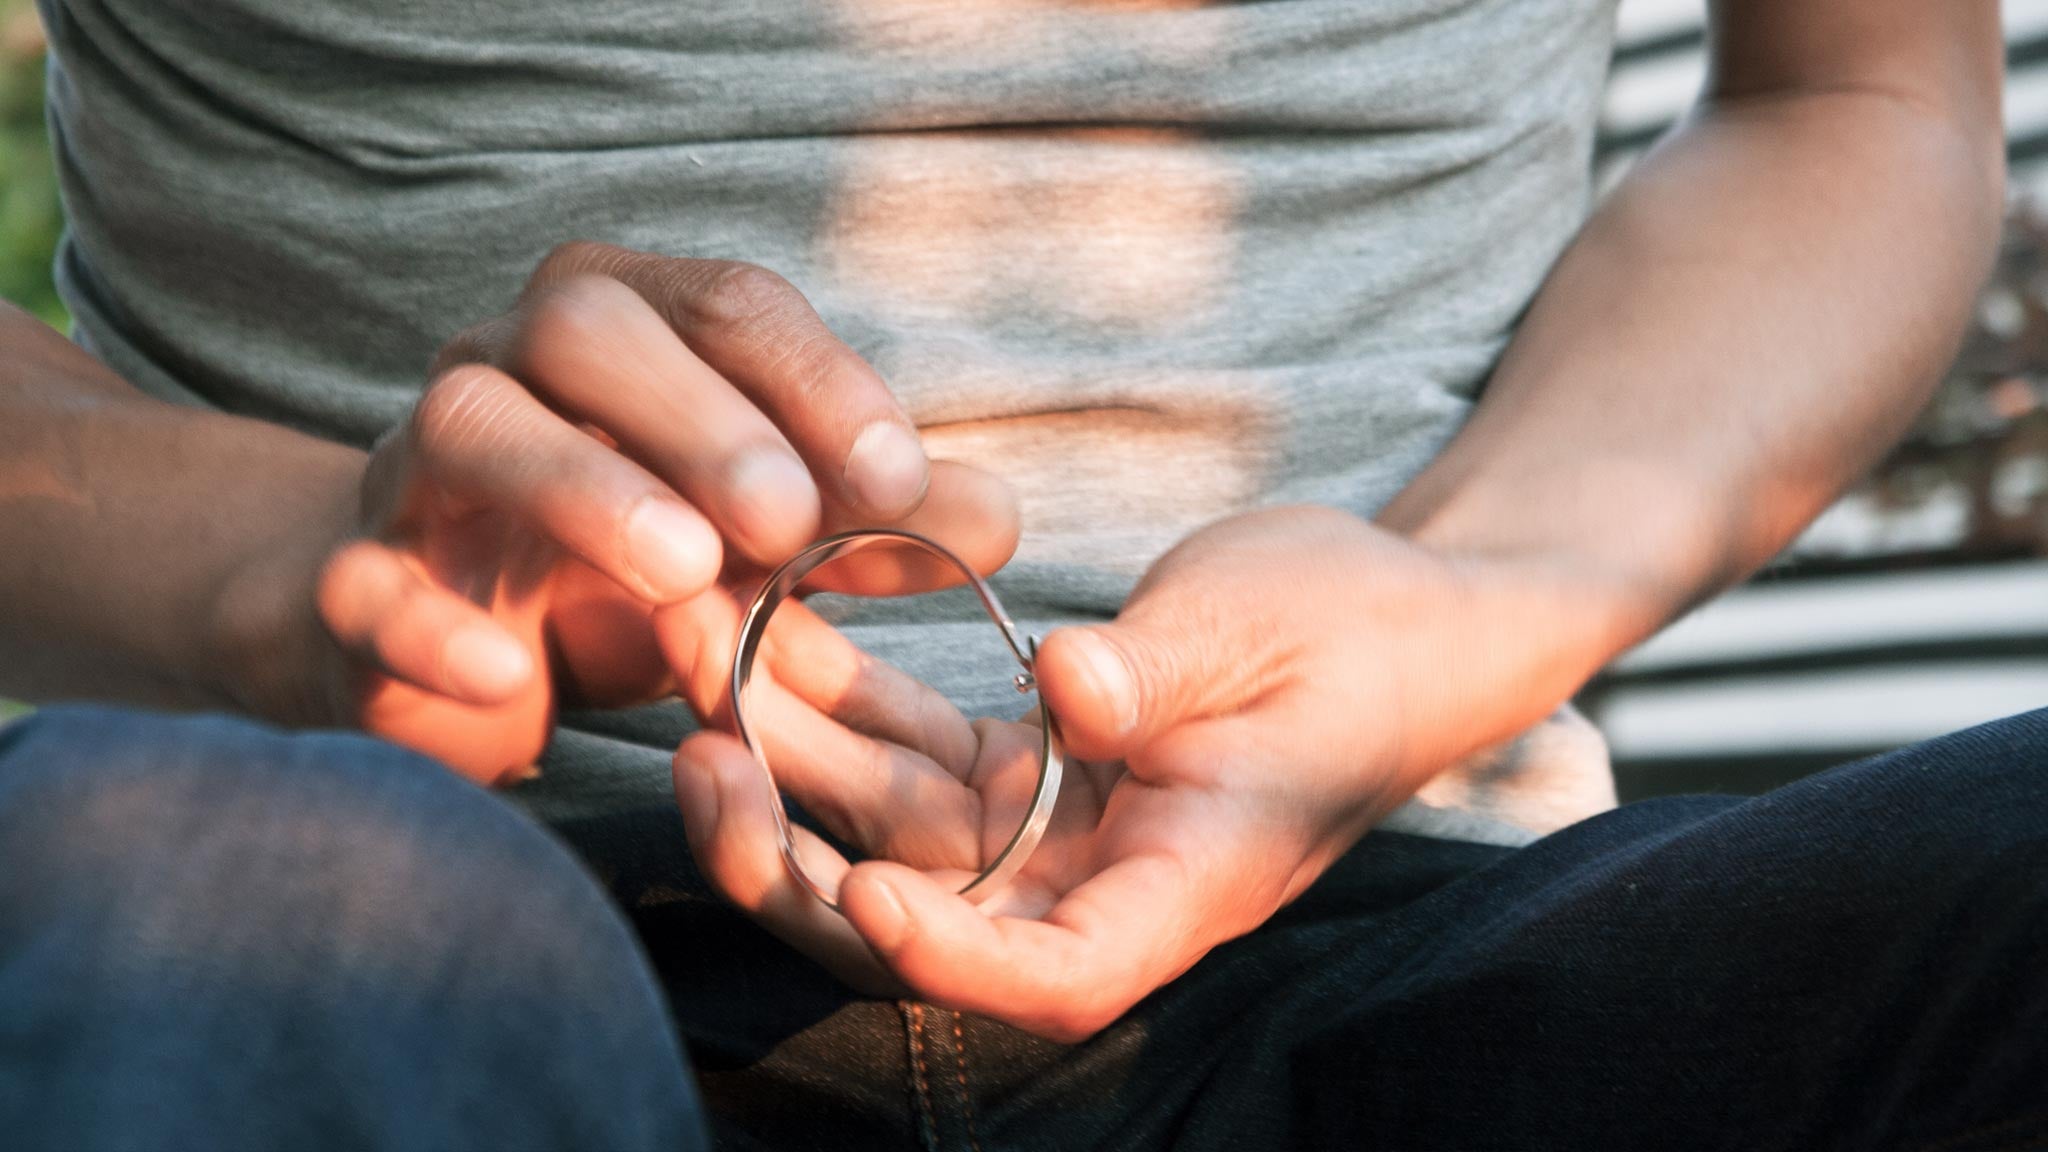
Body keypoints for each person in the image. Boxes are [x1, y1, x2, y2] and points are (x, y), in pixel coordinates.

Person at [1, 0, 2040, 1146]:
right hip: (368, 936)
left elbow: (1854, 95)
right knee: (180, 884)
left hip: (1443, 937)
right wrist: (281, 577)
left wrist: (1460, 595)